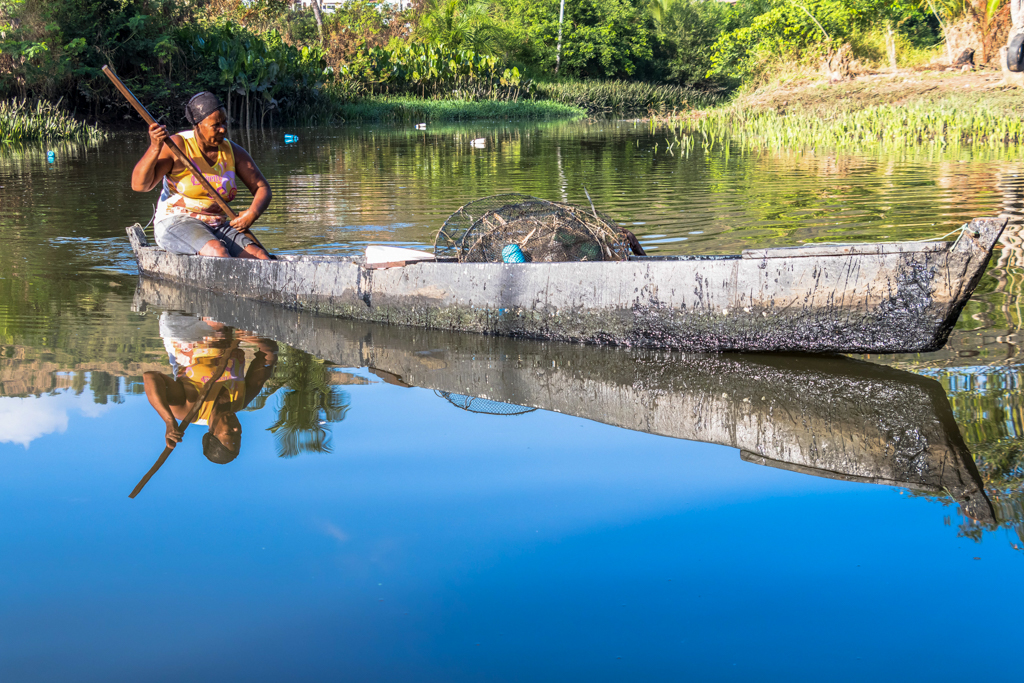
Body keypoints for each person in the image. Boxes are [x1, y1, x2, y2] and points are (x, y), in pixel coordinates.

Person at [131, 91, 272, 259]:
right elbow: (140, 185)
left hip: (217, 224)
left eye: (225, 122)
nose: (223, 129)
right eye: (216, 125)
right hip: (176, 222)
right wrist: (155, 146)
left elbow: (262, 188)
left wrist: (252, 214)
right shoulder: (177, 146)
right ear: (197, 125)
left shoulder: (232, 151)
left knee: (260, 257)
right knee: (218, 253)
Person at [143, 313, 278, 464]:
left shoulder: (190, 410)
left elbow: (150, 377)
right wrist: (253, 337)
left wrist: (168, 421)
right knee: (223, 325)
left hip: (181, 329)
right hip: (219, 326)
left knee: (219, 324)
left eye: (229, 433)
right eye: (239, 435)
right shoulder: (241, 400)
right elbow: (268, 356)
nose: (237, 429)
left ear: (212, 432)